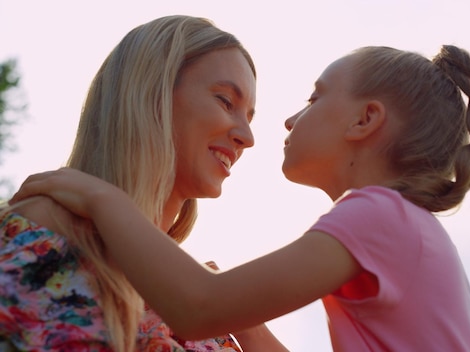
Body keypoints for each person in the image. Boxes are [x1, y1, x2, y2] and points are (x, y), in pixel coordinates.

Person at [11, 44, 470, 351]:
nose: (286, 123)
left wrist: (100, 197)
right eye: (226, 102)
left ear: (364, 121)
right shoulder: (402, 229)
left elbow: (198, 307)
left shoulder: (379, 216)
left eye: (314, 97)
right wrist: (249, 327)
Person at [0, 15, 287, 352]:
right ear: (153, 94)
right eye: (225, 101)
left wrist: (243, 318)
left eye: (249, 117)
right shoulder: (44, 230)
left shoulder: (203, 303)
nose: (247, 137)